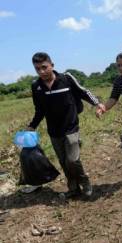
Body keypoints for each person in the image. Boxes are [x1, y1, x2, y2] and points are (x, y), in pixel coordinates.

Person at [28, 52, 102, 198]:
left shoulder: (66, 79)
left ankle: (85, 181)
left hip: (71, 127)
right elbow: (39, 110)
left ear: (52, 65)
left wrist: (97, 103)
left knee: (73, 160)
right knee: (63, 162)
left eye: (44, 67)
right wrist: (32, 126)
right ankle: (73, 189)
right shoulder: (36, 86)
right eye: (37, 69)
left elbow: (83, 92)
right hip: (54, 131)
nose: (41, 71)